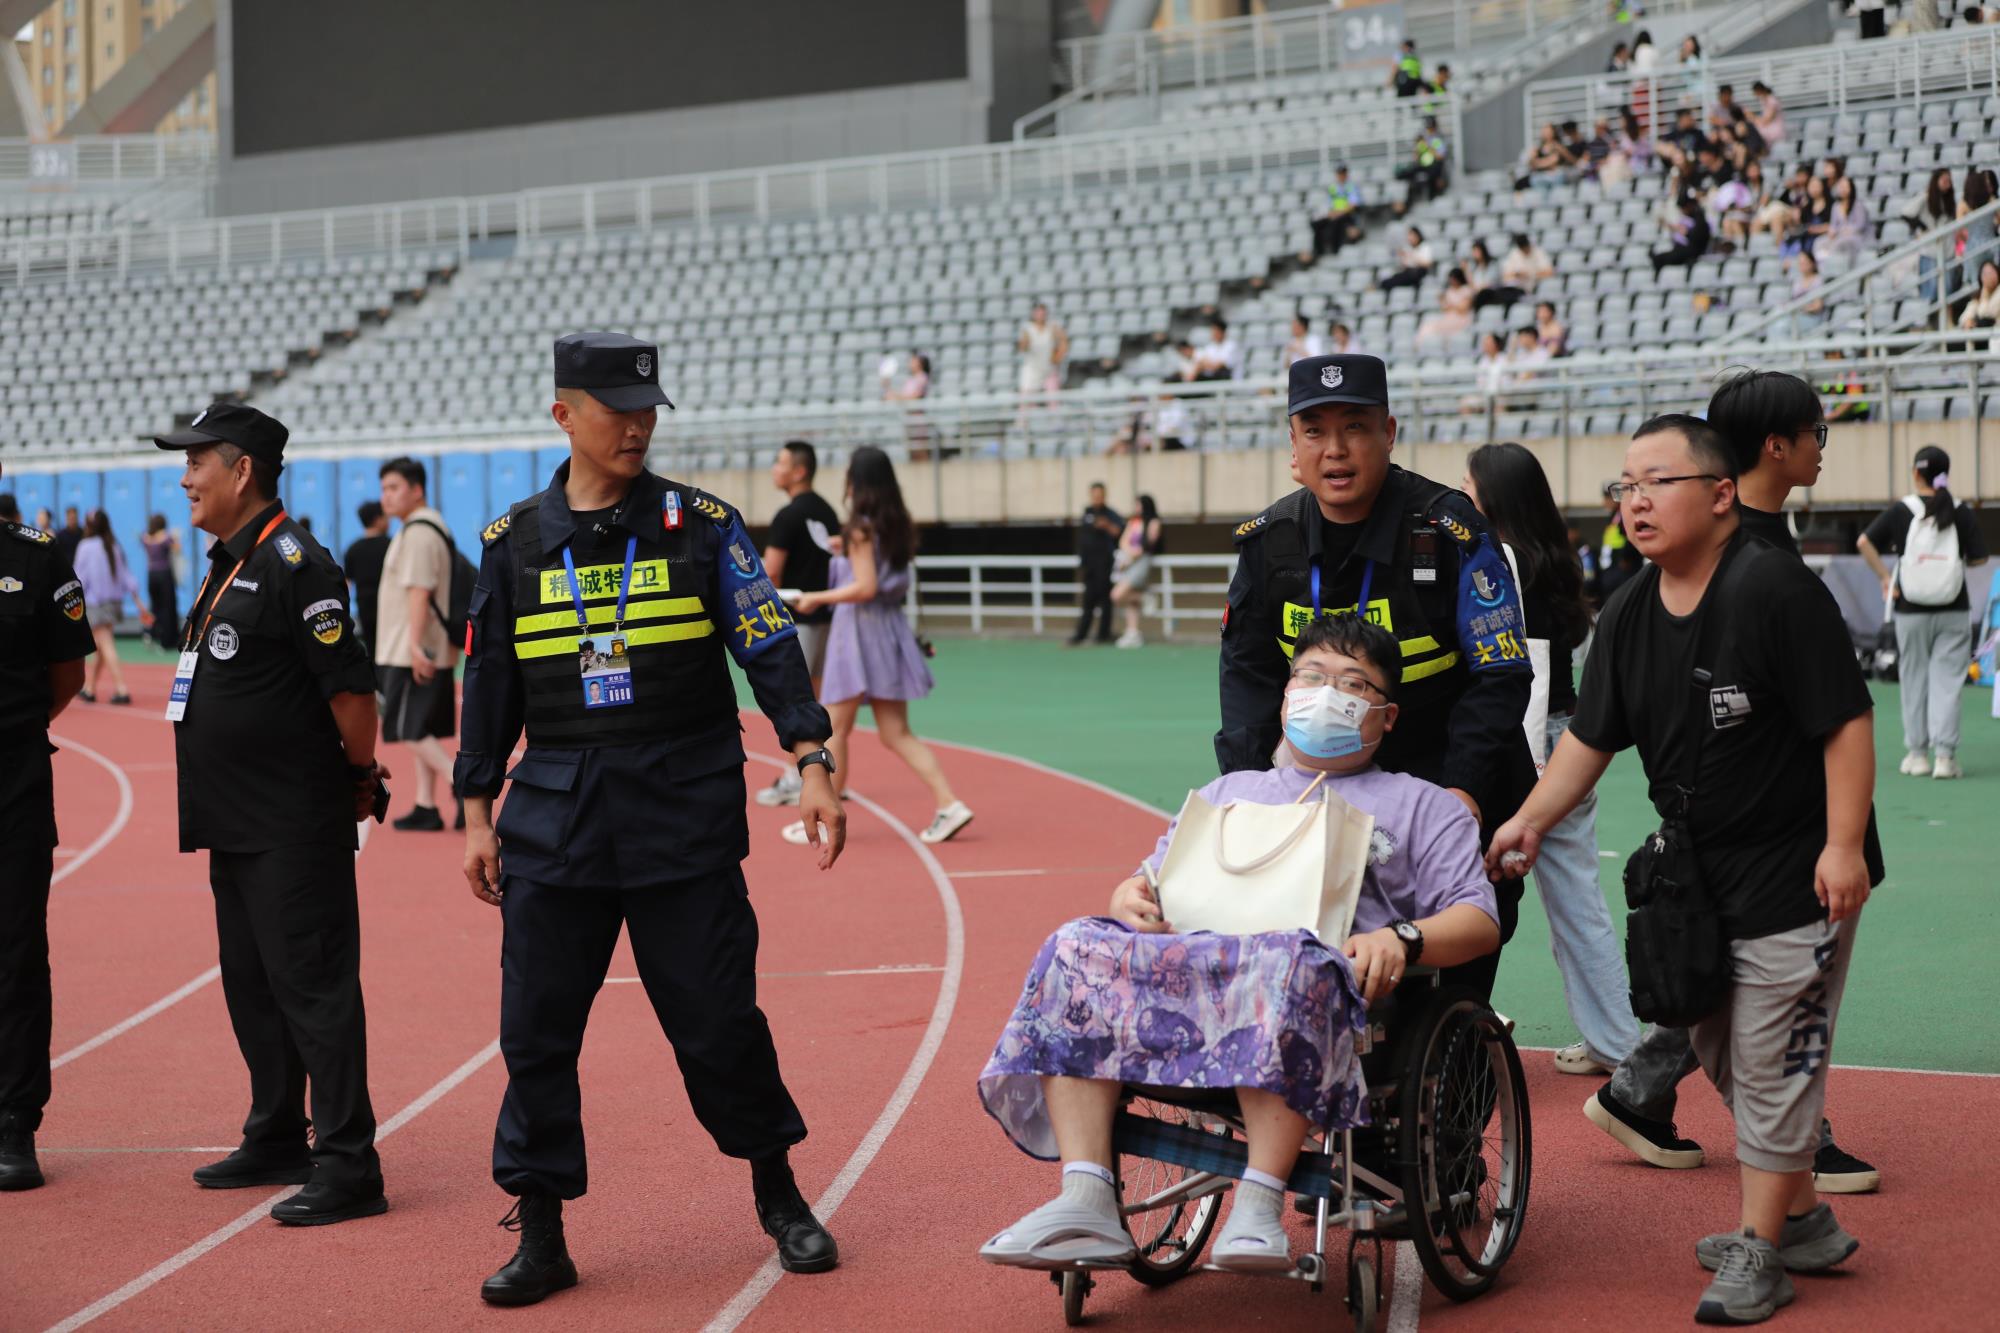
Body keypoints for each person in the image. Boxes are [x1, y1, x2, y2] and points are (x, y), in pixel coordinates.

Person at [456, 332, 844, 1305]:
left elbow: (768, 644)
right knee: (535, 1033)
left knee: (718, 1024)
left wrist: (811, 757)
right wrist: (473, 810)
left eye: (647, 410)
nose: (637, 426)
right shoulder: (513, 545)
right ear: (563, 415)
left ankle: (779, 1192)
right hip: (556, 828)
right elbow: (489, 685)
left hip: (682, 819)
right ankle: (541, 1229)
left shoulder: (700, 526)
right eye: (616, 410)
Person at [1490, 412, 1879, 1325]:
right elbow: (1590, 738)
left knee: (1772, 1054)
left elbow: (1846, 721)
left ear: (1720, 493)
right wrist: (1530, 819)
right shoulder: (1629, 610)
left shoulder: (1775, 589)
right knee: (1713, 1041)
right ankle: (1804, 1219)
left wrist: (1842, 844)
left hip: (1797, 866)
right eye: (1624, 486)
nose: (1635, 501)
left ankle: (1759, 1246)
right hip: (1697, 875)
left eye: (1656, 482)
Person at [978, 614, 1500, 1273]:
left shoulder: (1425, 806)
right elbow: (1149, 884)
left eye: (1352, 683)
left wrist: (1402, 937)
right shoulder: (1227, 793)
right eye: (1311, 677)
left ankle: (1257, 1205)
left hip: (1324, 993)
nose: (1326, 694)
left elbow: (1479, 919)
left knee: (1290, 958)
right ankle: (1087, 1198)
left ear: (1387, 715)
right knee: (1076, 943)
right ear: (1285, 697)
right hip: (1187, 991)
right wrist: (1128, 897)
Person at [1587, 374, 1884, 1195]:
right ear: (1775, 446)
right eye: (1816, 430)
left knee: (1737, 987)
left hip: (1782, 830)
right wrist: (1840, 841)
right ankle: (1787, 1164)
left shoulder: (1756, 549)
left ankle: (1653, 1100)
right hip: (1761, 839)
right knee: (1755, 991)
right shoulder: (1736, 559)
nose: (1822, 445)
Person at [1218, 354, 1536, 999]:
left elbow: (1500, 674)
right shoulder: (1269, 543)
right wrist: (1252, 792)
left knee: (1449, 985)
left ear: (1388, 433)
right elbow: (1247, 680)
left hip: (1449, 773)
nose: (1335, 450)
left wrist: (1464, 794)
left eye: (1355, 428)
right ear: (1293, 446)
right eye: (1315, 431)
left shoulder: (1449, 531)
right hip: (1319, 784)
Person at [153, 401, 388, 1226]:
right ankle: (279, 1132)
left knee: (316, 991)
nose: (185, 477)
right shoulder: (228, 561)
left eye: (197, 462)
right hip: (235, 820)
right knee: (254, 988)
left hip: (292, 821)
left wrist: (358, 776)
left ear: (242, 470)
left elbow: (352, 694)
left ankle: (350, 1162)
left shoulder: (296, 562)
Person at [1463, 443, 1637, 1075]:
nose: (1461, 497)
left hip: (1534, 744)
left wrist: (1529, 772)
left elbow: (1529, 670)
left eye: (1469, 487)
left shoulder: (1506, 561)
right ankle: (1614, 1040)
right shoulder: (1554, 557)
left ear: (1494, 496)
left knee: (1475, 889)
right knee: (1576, 902)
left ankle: (1613, 1043)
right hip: (1567, 737)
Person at [782, 446, 972, 847]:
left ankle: (826, 815)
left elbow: (865, 587)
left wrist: (817, 597)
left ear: (857, 481)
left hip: (858, 634)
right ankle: (949, 802)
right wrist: (847, 550)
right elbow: (875, 576)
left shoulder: (862, 529)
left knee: (833, 726)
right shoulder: (894, 524)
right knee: (895, 732)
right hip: (888, 630)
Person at [0, 477, 94, 1192]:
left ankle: (13, 1122)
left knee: (15, 952)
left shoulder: (36, 557)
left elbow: (67, 672)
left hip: (12, 782)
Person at [1858, 445, 1990, 780]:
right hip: (1953, 608)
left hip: (1910, 608)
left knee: (1914, 678)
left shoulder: (1902, 509)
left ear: (1916, 473)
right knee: (1948, 681)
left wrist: (1886, 578)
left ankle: (1917, 755)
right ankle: (1945, 757)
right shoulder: (1960, 510)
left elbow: (1863, 542)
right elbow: (1979, 558)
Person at [374, 457, 461, 832]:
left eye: (394, 488)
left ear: (417, 490)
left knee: (407, 727)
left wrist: (413, 646)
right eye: (384, 489)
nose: (386, 496)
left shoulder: (420, 533)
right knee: (420, 725)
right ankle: (426, 805)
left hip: (410, 649)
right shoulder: (421, 528)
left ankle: (461, 783)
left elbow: (420, 591)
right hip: (419, 646)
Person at [756, 440, 843, 807]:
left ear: (799, 471)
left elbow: (771, 572)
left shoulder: (788, 516)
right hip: (827, 619)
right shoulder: (827, 511)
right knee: (816, 701)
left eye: (780, 462)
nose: (774, 469)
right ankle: (814, 775)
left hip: (797, 621)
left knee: (793, 702)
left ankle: (797, 779)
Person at [70, 510, 149, 705]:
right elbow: (126, 576)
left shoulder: (86, 546)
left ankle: (121, 689)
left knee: (105, 644)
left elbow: (79, 577)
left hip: (95, 603)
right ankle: (90, 688)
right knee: (100, 647)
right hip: (113, 603)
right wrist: (138, 601)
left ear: (89, 526)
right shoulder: (113, 546)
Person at [1069, 482, 1122, 646]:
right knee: (1088, 600)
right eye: (1094, 495)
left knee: (1105, 600)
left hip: (1104, 564)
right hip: (1089, 565)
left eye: (1100, 495)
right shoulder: (1087, 512)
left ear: (1104, 496)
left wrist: (1106, 525)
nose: (1097, 498)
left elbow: (1118, 532)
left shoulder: (1111, 514)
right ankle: (1081, 634)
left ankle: (1103, 634)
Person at [1110, 496, 1163, 649]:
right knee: (1131, 601)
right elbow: (1123, 541)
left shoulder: (1153, 522)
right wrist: (1127, 556)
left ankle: (1147, 597)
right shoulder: (1133, 522)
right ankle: (1132, 632)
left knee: (1116, 595)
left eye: (1138, 505)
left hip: (1141, 562)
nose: (1136, 507)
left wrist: (1132, 556)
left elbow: (1148, 545)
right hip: (1128, 561)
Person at [342, 500, 391, 655]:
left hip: (364, 607)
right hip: (388, 606)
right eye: (385, 517)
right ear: (377, 520)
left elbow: (346, 584)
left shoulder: (353, 549)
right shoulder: (391, 545)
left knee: (371, 648)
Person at [142, 514, 181, 651]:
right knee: (168, 607)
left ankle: (151, 633)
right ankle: (167, 640)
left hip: (151, 575)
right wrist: (176, 537)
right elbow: (177, 548)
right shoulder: (166, 537)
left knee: (155, 606)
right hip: (164, 574)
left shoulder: (146, 538)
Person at [1309, 163, 1364, 259]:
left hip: (1348, 214)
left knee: (1336, 222)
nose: (1341, 175)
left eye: (1343, 173)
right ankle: (1319, 251)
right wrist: (1330, 213)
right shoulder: (1333, 187)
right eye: (1339, 173)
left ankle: (1336, 249)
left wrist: (1339, 213)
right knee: (1316, 224)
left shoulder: (1351, 186)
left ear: (1346, 174)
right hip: (1334, 213)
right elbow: (1329, 203)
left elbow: (1353, 204)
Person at [1414, 267, 1475, 352]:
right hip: (1449, 317)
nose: (1452, 281)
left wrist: (1450, 303)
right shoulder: (1449, 291)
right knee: (1426, 326)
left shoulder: (1466, 290)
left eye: (1453, 279)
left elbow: (1463, 309)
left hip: (1461, 319)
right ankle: (1420, 348)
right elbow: (1445, 309)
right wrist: (1442, 300)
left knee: (1435, 329)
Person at [1017, 303, 1068, 400]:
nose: (1040, 316)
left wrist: (1058, 357)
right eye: (1038, 313)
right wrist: (1026, 343)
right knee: (1026, 399)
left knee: (1053, 399)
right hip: (1032, 368)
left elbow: (1063, 342)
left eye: (1042, 314)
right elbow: (1022, 347)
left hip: (1049, 368)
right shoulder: (1028, 329)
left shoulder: (1052, 328)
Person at [1652, 195, 1713, 276]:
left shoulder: (1700, 220)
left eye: (1683, 208)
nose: (1682, 210)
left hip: (1692, 252)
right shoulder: (1689, 218)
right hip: (1684, 249)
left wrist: (1686, 233)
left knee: (1659, 259)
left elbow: (1697, 240)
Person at [1378, 226, 1434, 291]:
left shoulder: (1424, 247)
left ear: (1417, 236)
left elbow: (1427, 264)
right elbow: (1405, 265)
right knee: (1393, 278)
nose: (1410, 238)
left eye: (1412, 236)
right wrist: (1403, 257)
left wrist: (1412, 256)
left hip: (1419, 272)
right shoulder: (1407, 248)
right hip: (1408, 272)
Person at [1959, 257, 2000, 329]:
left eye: (1991, 272)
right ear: (1980, 278)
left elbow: (1986, 314)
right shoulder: (1977, 298)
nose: (1989, 276)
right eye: (1985, 274)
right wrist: (1967, 321)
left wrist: (1985, 294)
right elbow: (1963, 318)